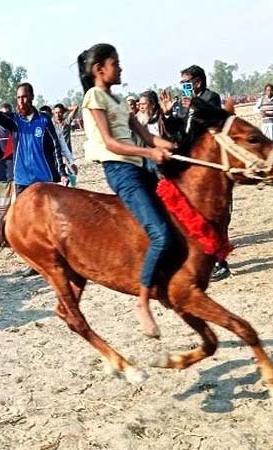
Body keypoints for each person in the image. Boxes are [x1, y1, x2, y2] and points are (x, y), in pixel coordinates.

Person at [78, 43, 176, 338]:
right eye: (115, 64)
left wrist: (172, 146)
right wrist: (149, 154)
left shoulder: (118, 100)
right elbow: (110, 143)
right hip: (121, 171)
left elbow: (148, 136)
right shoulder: (94, 97)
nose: (120, 69)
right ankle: (143, 302)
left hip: (140, 168)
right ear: (100, 69)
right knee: (160, 233)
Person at [159, 64, 230, 281]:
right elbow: (178, 130)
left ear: (197, 82)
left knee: (214, 214)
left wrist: (194, 104)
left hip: (210, 164)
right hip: (190, 162)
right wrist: (169, 113)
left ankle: (221, 262)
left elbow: (216, 118)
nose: (183, 87)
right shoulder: (182, 103)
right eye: (182, 83)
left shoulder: (210, 97)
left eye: (186, 83)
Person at [0, 66, 65, 195]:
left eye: (24, 97)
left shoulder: (44, 120)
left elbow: (55, 146)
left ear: (32, 96)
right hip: (22, 182)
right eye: (18, 98)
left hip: (44, 180)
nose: (21, 101)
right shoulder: (14, 121)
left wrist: (61, 173)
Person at [0, 105, 16, 217]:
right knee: (3, 212)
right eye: (3, 115)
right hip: (2, 175)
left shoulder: (16, 130)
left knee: (17, 210)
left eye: (8, 114)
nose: (5, 117)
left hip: (17, 175)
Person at [52, 103, 78, 184]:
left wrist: (64, 108)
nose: (58, 114)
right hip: (56, 153)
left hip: (67, 152)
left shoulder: (66, 122)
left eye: (60, 112)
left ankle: (73, 187)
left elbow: (75, 107)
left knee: (72, 171)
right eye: (56, 113)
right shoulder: (52, 124)